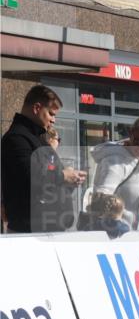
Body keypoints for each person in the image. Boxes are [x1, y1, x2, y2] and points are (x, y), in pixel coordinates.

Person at [1, 85, 86, 233]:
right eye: (51, 114)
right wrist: (63, 176)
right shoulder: (17, 138)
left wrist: (69, 180)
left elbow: (47, 174)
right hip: (30, 231)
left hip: (48, 228)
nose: (54, 120)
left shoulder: (37, 138)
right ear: (36, 108)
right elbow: (30, 177)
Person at [90, 114, 139, 243]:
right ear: (131, 133)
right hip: (112, 235)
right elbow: (101, 196)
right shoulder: (114, 161)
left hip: (134, 233)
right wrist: (113, 222)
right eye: (138, 141)